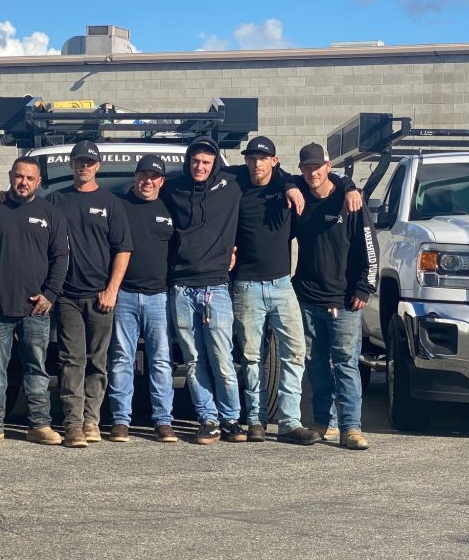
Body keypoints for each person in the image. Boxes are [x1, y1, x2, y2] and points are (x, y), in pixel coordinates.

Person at [229, 136, 360, 445]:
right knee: (250, 356)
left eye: (263, 158)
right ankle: (255, 420)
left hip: (282, 284)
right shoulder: (235, 186)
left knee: (296, 353)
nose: (256, 163)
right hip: (245, 286)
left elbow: (324, 177)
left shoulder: (289, 187)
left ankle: (289, 422)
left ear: (275, 161)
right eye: (251, 158)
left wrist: (350, 186)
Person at [0, 157, 69, 446]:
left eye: (30, 178)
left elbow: (61, 258)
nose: (23, 182)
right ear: (10, 176)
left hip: (36, 308)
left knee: (37, 368)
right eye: (19, 176)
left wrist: (51, 294)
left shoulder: (52, 214)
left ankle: (40, 425)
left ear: (39, 182)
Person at [46, 140, 133, 449]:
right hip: (67, 296)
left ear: (98, 166)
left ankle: (91, 420)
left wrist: (111, 290)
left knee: (98, 360)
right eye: (79, 161)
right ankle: (72, 425)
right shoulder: (56, 200)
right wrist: (1, 197)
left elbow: (123, 250)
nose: (84, 165)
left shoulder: (110, 203)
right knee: (72, 360)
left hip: (101, 296)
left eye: (90, 161)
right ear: (71, 165)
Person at [293, 142, 378, 450]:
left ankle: (351, 427)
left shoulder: (350, 202)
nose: (312, 172)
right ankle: (322, 423)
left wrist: (363, 288)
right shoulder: (299, 199)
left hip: (344, 300)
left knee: (345, 363)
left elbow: (369, 249)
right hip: (308, 297)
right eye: (306, 167)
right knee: (315, 364)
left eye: (317, 166)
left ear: (328, 167)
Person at [160, 137, 243, 445]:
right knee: (194, 359)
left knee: (222, 356)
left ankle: (232, 418)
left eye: (206, 162)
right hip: (181, 287)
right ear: (188, 161)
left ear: (215, 164)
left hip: (217, 286)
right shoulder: (172, 189)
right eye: (195, 161)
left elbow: (271, 172)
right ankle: (207, 419)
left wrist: (347, 185)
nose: (200, 166)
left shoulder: (232, 184)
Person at [105, 155, 177, 443]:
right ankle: (121, 420)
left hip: (159, 296)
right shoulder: (118, 206)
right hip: (124, 295)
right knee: (121, 358)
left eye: (154, 177)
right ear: (135, 178)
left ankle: (163, 421)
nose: (148, 181)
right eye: (143, 176)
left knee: (161, 360)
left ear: (162, 181)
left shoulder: (171, 209)